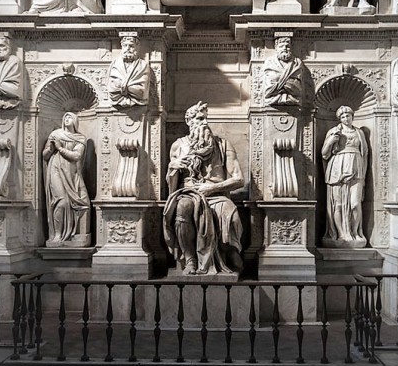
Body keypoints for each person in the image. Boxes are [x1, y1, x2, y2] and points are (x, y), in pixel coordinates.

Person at [163, 101, 244, 275]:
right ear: (189, 121)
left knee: (233, 215)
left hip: (217, 194)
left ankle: (229, 250)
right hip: (188, 192)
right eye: (200, 119)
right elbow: (172, 185)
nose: (205, 123)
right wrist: (173, 167)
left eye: (206, 119)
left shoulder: (223, 145)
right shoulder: (179, 146)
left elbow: (239, 179)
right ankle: (190, 259)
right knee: (183, 207)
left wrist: (213, 188)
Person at [321, 106, 368, 247]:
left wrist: (363, 174)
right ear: (339, 119)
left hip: (356, 169)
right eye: (342, 117)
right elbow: (324, 154)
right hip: (337, 170)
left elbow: (364, 154)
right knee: (339, 205)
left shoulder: (359, 132)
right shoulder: (334, 131)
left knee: (355, 203)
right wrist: (331, 141)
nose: (346, 119)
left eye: (348, 115)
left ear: (352, 116)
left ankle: (355, 233)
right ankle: (341, 234)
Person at [43, 112, 90, 246]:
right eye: (65, 117)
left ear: (75, 121)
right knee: (61, 201)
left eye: (70, 117)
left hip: (71, 173)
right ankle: (57, 234)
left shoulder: (80, 138)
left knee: (81, 203)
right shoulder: (55, 134)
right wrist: (51, 149)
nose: (67, 119)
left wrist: (59, 148)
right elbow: (45, 155)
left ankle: (73, 235)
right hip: (55, 169)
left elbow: (76, 156)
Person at [108, 32, 151, 108]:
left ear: (137, 47)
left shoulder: (143, 65)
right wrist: (131, 88)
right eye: (125, 46)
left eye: (131, 46)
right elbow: (112, 89)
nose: (128, 48)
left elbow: (142, 93)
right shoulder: (115, 64)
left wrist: (121, 87)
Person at [263, 35, 302, 107]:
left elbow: (297, 89)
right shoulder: (270, 62)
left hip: (294, 99)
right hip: (271, 99)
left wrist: (278, 80)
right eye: (281, 46)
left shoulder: (297, 62)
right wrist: (289, 82)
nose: (285, 49)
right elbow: (268, 90)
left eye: (287, 46)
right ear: (276, 48)